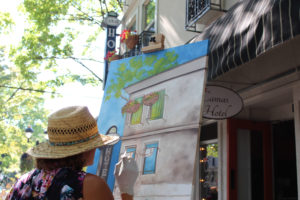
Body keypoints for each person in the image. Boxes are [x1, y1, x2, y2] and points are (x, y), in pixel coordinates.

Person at [6, 106, 138, 200]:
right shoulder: (89, 185)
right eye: (95, 144)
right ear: (85, 149)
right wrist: (127, 191)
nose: (97, 148)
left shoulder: (24, 182)